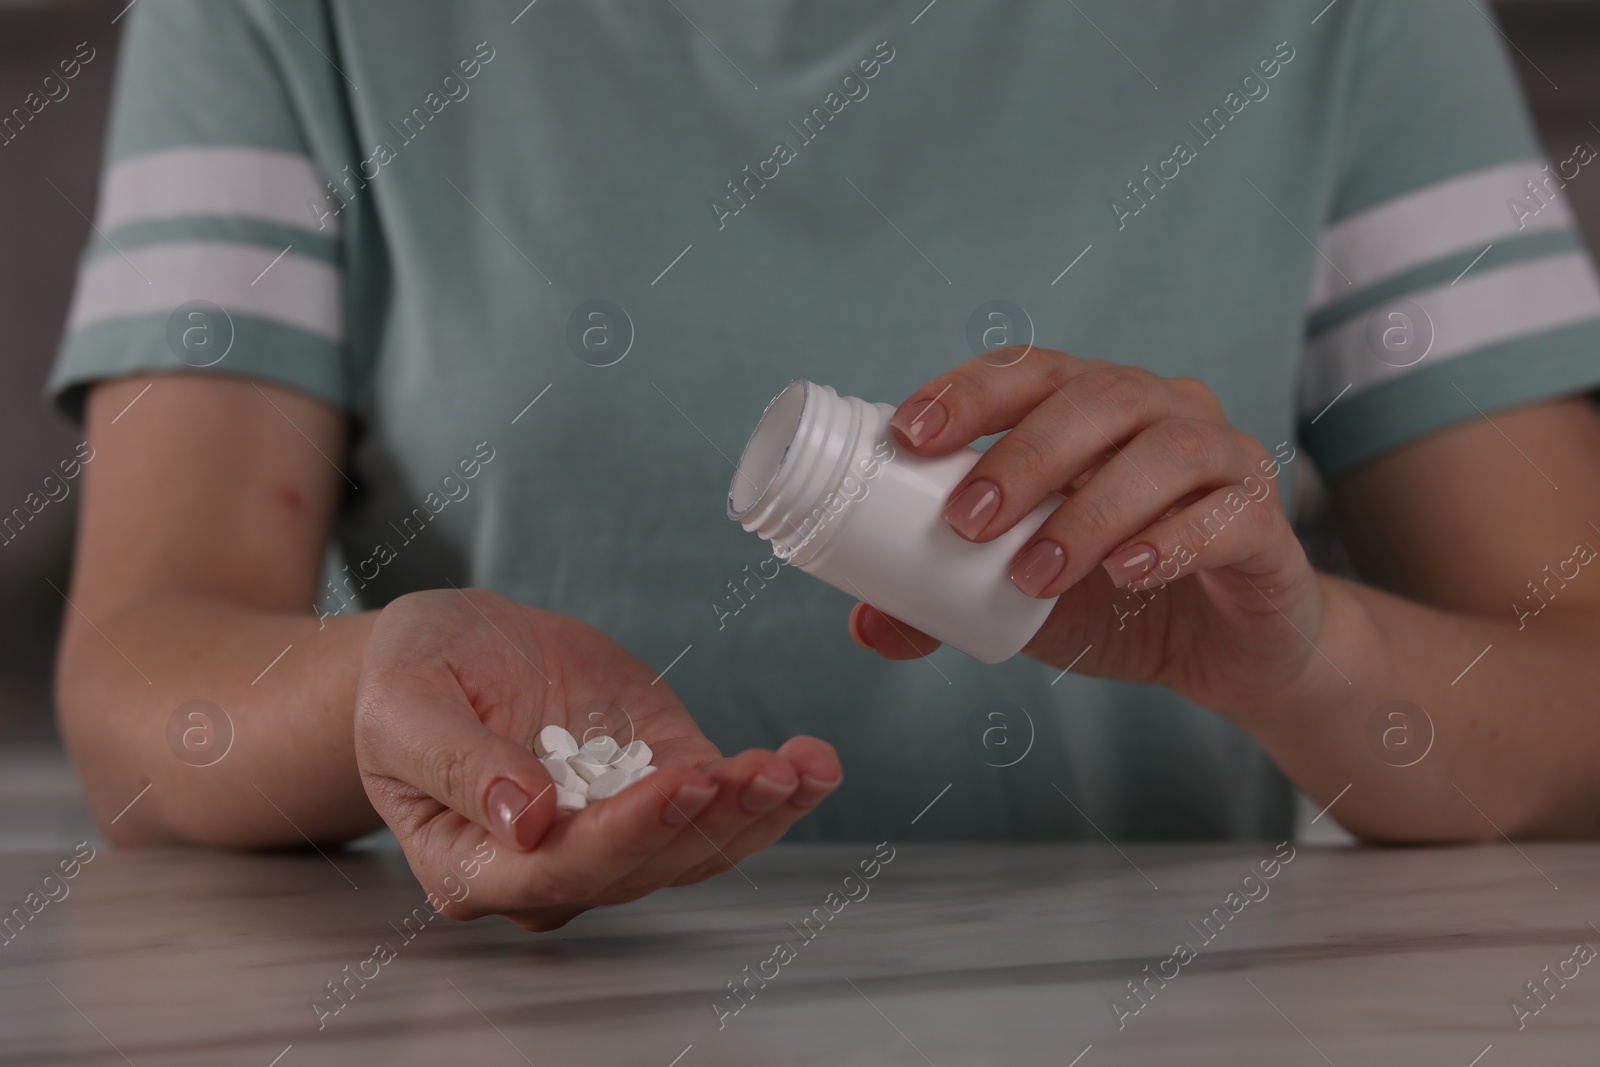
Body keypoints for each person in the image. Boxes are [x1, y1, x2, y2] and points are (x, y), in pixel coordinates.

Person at [47, 0, 1600, 930]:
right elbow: (137, 683)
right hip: (515, 1011)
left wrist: (1305, 655)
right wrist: (374, 689)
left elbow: (1577, 700)